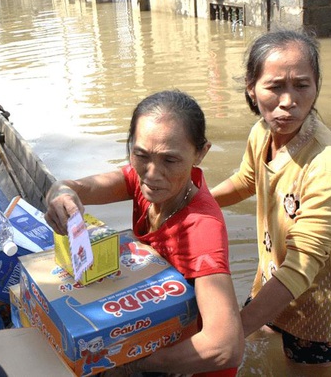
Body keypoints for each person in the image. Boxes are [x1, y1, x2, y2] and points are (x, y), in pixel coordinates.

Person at [45, 91, 244, 376]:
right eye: (141, 155)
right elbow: (74, 187)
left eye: (170, 160)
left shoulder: (201, 229)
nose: (151, 173)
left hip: (188, 363)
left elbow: (226, 346)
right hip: (155, 338)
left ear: (201, 152)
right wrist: (61, 194)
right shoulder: (145, 183)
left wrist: (128, 362)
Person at [210, 30, 331, 366]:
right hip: (271, 280)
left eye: (301, 86)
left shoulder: (327, 165)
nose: (288, 101)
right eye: (275, 86)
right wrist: (195, 203)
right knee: (262, 342)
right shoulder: (262, 132)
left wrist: (233, 332)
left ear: (316, 86)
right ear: (252, 87)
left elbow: (301, 267)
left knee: (301, 369)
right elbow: (247, 179)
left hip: (317, 308)